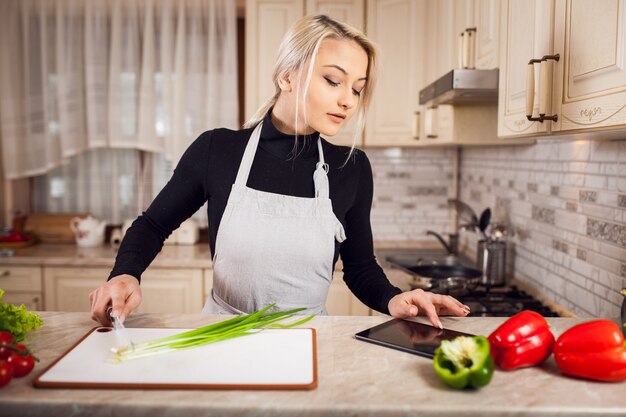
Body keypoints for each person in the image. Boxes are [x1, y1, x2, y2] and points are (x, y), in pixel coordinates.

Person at [89, 14, 470, 329]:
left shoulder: (350, 167)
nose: (347, 101)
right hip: (220, 338)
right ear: (286, 77)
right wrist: (126, 274)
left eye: (357, 89)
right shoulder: (218, 150)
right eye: (333, 81)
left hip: (308, 342)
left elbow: (359, 267)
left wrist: (394, 298)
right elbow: (153, 225)